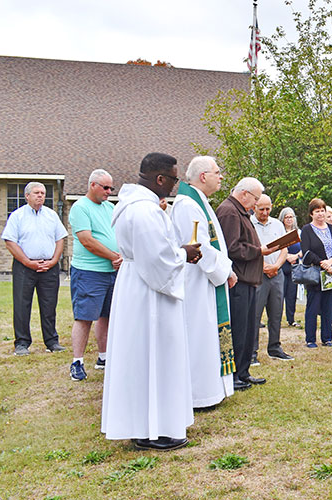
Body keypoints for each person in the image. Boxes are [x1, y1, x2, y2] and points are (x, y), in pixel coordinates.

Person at [101, 152, 202, 450]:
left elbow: (156, 250)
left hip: (138, 285)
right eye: (173, 179)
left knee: (145, 356)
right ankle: (152, 429)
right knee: (153, 355)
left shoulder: (135, 206)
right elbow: (158, 259)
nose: (174, 185)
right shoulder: (144, 211)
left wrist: (178, 250)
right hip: (149, 293)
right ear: (160, 178)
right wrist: (184, 253)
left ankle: (151, 423)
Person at [171, 156, 239, 407]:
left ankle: (212, 389)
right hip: (197, 282)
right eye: (217, 172)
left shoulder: (200, 202)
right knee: (199, 334)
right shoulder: (187, 205)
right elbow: (201, 248)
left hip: (207, 281)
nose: (221, 177)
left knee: (208, 333)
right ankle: (200, 394)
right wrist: (226, 271)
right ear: (203, 176)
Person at [216, 177, 274, 391]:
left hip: (248, 278)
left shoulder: (239, 211)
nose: (256, 203)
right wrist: (258, 251)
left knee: (249, 328)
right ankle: (234, 375)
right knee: (239, 329)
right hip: (238, 280)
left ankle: (243, 371)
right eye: (256, 198)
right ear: (244, 194)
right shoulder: (230, 212)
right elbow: (232, 248)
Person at [2, 181, 69, 356]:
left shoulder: (52, 215)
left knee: (49, 304)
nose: (40, 196)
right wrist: (26, 261)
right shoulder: (17, 216)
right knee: (22, 305)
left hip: (49, 267)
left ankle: (52, 341)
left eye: (43, 193)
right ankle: (22, 343)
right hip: (25, 267)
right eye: (36, 193)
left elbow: (60, 238)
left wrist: (54, 260)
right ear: (27, 196)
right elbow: (10, 242)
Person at [67, 170, 121, 381]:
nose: (109, 192)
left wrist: (119, 256)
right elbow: (87, 240)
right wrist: (113, 256)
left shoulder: (110, 208)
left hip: (111, 272)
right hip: (89, 272)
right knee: (85, 317)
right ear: (92, 185)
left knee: (106, 316)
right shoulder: (80, 208)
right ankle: (77, 362)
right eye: (105, 187)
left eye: (111, 188)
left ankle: (103, 357)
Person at [252, 194, 294, 362]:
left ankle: (275, 347)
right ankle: (252, 353)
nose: (265, 212)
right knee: (254, 314)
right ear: (254, 207)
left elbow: (284, 249)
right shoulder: (249, 224)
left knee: (276, 313)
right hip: (257, 274)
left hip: (277, 273)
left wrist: (276, 266)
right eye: (261, 209)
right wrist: (264, 267)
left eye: (268, 208)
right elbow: (251, 250)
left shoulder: (277, 224)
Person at [301, 198, 332, 348]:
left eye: (322, 210)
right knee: (313, 306)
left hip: (331, 272)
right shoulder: (307, 230)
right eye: (317, 211)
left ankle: (327, 337)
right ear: (311, 214)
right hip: (315, 272)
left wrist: (331, 261)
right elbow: (306, 251)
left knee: (328, 306)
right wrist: (322, 262)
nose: (320, 214)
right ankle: (310, 339)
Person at [278, 207, 302, 327]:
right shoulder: (278, 232)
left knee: (292, 294)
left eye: (291, 217)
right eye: (286, 217)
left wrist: (295, 257)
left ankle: (291, 319)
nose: (289, 219)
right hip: (282, 266)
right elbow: (275, 248)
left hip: (295, 266)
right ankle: (276, 319)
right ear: (282, 219)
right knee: (279, 294)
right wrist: (286, 256)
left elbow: (305, 248)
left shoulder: (299, 233)